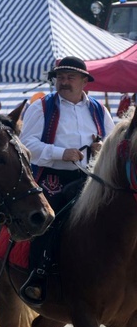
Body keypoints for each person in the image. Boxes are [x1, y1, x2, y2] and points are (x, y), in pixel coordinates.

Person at [18, 56, 113, 305]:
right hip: (53, 179)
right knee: (49, 222)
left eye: (70, 77)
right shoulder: (41, 107)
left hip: (91, 178)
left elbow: (113, 144)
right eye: (60, 77)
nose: (64, 81)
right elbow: (26, 145)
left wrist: (101, 146)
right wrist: (61, 153)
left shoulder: (98, 110)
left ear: (84, 81)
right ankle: (37, 278)